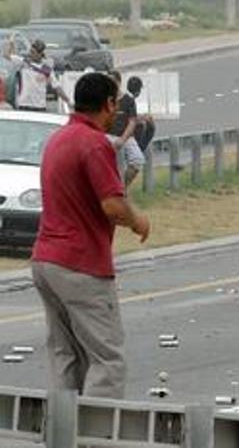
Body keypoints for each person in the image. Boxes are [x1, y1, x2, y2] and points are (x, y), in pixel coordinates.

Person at [31, 72, 150, 399]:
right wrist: (138, 220)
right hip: (80, 265)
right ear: (108, 103)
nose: (117, 113)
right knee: (107, 359)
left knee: (65, 354)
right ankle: (92, 435)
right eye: (115, 104)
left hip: (45, 260)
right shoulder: (95, 144)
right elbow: (113, 205)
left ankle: (61, 432)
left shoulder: (59, 138)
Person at [2, 37, 71, 111]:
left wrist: (68, 101)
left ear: (40, 54)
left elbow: (57, 88)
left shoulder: (46, 69)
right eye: (30, 51)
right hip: (24, 105)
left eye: (33, 52)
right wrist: (10, 43)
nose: (30, 54)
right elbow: (6, 55)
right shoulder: (23, 63)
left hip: (40, 106)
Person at [108, 71, 146, 186]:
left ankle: (122, 186)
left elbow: (132, 121)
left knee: (137, 160)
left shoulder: (128, 100)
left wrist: (123, 139)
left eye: (113, 82)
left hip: (126, 136)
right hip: (107, 135)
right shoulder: (103, 100)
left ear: (119, 82)